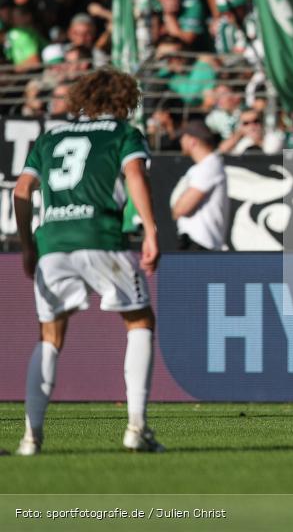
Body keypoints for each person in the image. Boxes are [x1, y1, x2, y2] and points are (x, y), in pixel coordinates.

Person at [12, 68, 163, 455]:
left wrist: (28, 245)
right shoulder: (123, 134)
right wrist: (150, 229)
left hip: (53, 242)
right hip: (101, 234)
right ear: (124, 100)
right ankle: (136, 427)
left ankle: (30, 438)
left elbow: (22, 190)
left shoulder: (50, 137)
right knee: (140, 321)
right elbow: (134, 174)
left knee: (49, 336)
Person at [174, 121, 230, 251]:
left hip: (201, 243)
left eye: (183, 137)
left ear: (193, 141)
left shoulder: (209, 166)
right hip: (196, 242)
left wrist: (176, 208)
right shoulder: (204, 166)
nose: (180, 141)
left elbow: (181, 209)